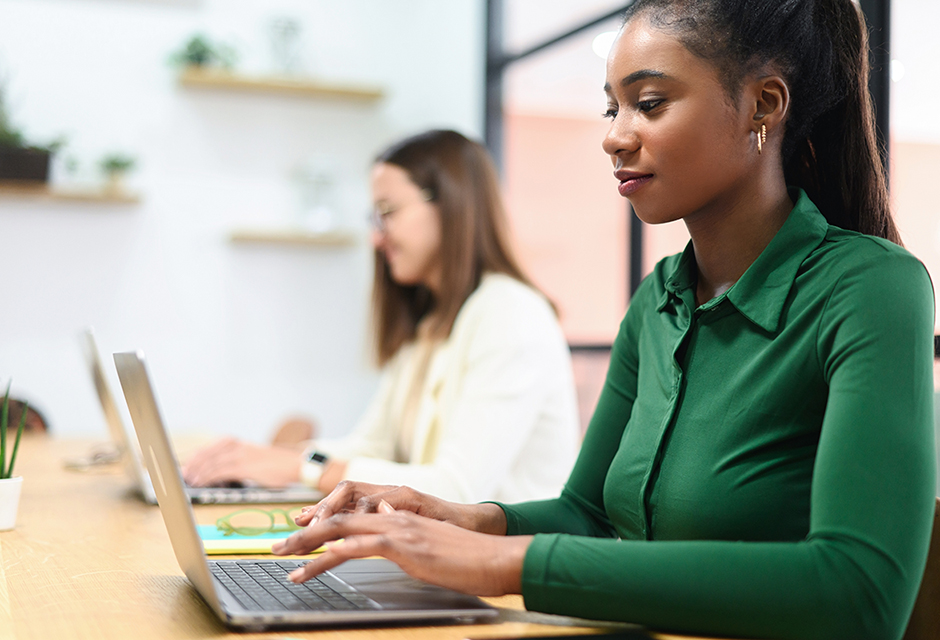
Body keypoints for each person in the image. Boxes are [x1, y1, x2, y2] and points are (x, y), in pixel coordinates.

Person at [271, 2, 937, 639]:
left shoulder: (870, 287)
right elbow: (586, 513)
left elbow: (860, 594)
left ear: (763, 105)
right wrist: (459, 519)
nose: (614, 136)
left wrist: (502, 563)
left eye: (649, 103)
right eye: (612, 107)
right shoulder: (658, 300)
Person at [183, 129, 580, 504]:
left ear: (451, 204)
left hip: (509, 553)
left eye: (387, 212)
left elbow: (456, 490)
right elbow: (371, 446)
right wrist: (260, 460)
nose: (376, 238)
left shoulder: (511, 313)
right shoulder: (431, 323)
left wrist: (300, 467)